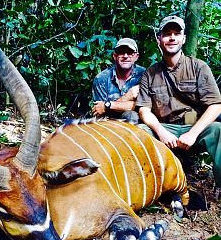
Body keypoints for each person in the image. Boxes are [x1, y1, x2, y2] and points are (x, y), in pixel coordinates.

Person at [136, 15, 221, 197]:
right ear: (159, 39)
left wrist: (193, 133)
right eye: (167, 34)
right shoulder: (150, 73)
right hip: (166, 130)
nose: (172, 38)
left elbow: (215, 105)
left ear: (183, 38)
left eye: (177, 33)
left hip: (193, 128)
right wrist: (161, 131)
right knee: (139, 131)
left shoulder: (199, 67)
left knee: (219, 130)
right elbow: (143, 109)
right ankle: (147, 185)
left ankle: (219, 186)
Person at [92, 38, 145, 124]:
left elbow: (144, 107)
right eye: (121, 52)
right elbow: (99, 111)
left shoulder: (144, 75)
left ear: (136, 57)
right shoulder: (101, 79)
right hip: (108, 124)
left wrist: (108, 105)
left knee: (131, 115)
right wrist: (128, 96)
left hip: (136, 124)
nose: (125, 56)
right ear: (115, 56)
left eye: (130, 53)